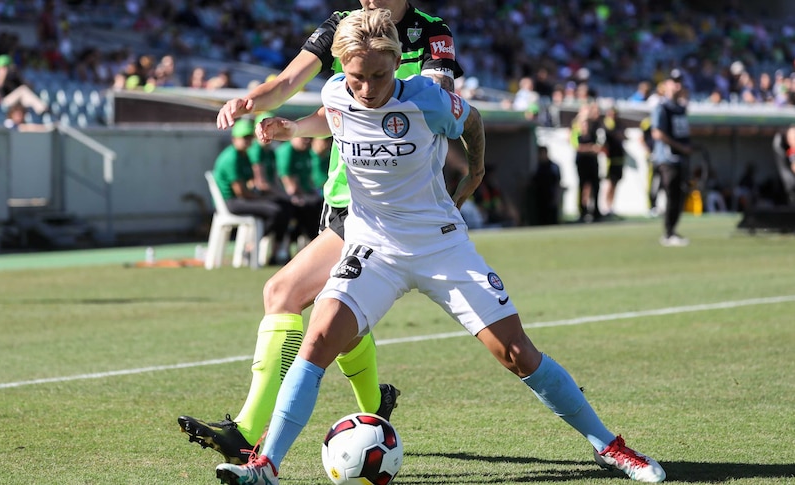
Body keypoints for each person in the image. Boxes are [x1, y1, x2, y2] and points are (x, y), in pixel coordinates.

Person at [215, 10, 666, 484]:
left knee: (516, 353)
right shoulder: (334, 93)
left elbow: (471, 122)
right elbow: (334, 115)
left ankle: (608, 446)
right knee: (318, 339)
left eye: (379, 76)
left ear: (396, 62)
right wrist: (289, 128)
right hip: (372, 246)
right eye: (356, 77)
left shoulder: (428, 99)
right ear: (340, 70)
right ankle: (265, 467)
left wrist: (476, 171)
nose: (367, 88)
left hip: (440, 246)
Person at [178, 0, 463, 463]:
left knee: (282, 293)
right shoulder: (342, 26)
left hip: (384, 205)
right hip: (340, 196)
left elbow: (433, 102)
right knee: (341, 316)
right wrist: (254, 103)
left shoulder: (433, 34)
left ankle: (247, 431)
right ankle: (376, 406)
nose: (366, 1)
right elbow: (290, 82)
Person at [212, 118, 294, 264]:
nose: (247, 141)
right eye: (244, 138)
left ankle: (276, 252)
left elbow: (250, 183)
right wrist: (260, 197)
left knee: (284, 207)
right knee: (275, 210)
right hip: (231, 202)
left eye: (249, 137)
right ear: (234, 139)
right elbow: (240, 192)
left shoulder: (244, 155)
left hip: (241, 198)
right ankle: (251, 246)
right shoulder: (232, 158)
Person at [651, 69, 692, 247]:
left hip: (681, 158)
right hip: (668, 158)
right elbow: (657, 133)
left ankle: (672, 231)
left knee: (680, 195)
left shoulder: (680, 108)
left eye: (680, 82)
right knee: (672, 195)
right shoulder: (662, 108)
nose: (678, 85)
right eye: (674, 82)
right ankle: (668, 233)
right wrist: (679, 147)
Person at [274, 136, 322, 243]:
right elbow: (289, 185)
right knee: (310, 207)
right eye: (303, 137)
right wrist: (303, 195)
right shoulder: (287, 151)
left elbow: (309, 179)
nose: (307, 140)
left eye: (309, 138)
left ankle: (312, 241)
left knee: (320, 204)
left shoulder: (307, 152)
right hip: (289, 195)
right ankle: (310, 241)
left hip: (304, 193)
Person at [571, 104, 603, 222]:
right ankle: (582, 211)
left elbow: (599, 146)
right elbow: (576, 146)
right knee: (582, 186)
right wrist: (590, 148)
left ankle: (596, 211)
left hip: (592, 162)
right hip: (582, 162)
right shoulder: (576, 131)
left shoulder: (594, 131)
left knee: (595, 185)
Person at [601, 105, 626, 218]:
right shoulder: (606, 125)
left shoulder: (619, 125)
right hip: (610, 159)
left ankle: (611, 206)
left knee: (615, 183)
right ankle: (605, 206)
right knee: (609, 183)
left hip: (619, 158)